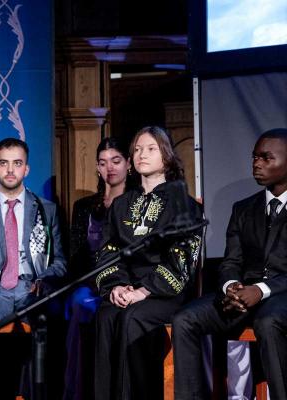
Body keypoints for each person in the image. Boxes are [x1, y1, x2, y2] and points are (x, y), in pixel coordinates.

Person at [172, 128, 287, 399]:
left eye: (266, 158)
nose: (256, 163)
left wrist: (261, 290)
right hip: (244, 296)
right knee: (184, 319)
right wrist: (231, 286)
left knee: (269, 321)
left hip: (281, 295)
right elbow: (231, 260)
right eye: (254, 157)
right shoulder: (243, 208)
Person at [93, 126, 201, 400]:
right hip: (128, 287)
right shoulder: (121, 204)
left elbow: (182, 258)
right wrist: (117, 286)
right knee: (106, 316)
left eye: (151, 149)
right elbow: (109, 251)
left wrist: (144, 291)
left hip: (166, 292)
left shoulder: (183, 204)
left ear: (166, 156)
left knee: (133, 317)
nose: (142, 154)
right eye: (138, 149)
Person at [0, 137, 67, 400]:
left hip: (32, 289)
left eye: (17, 163)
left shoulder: (47, 209)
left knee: (52, 315)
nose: (10, 170)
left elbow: (60, 262)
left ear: (26, 169)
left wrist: (45, 279)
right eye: (3, 163)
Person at [63, 137, 131, 400]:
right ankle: (79, 392)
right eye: (103, 163)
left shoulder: (139, 203)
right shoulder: (84, 207)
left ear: (128, 164)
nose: (109, 168)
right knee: (81, 302)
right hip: (91, 284)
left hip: (127, 283)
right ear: (97, 167)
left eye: (116, 161)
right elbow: (76, 259)